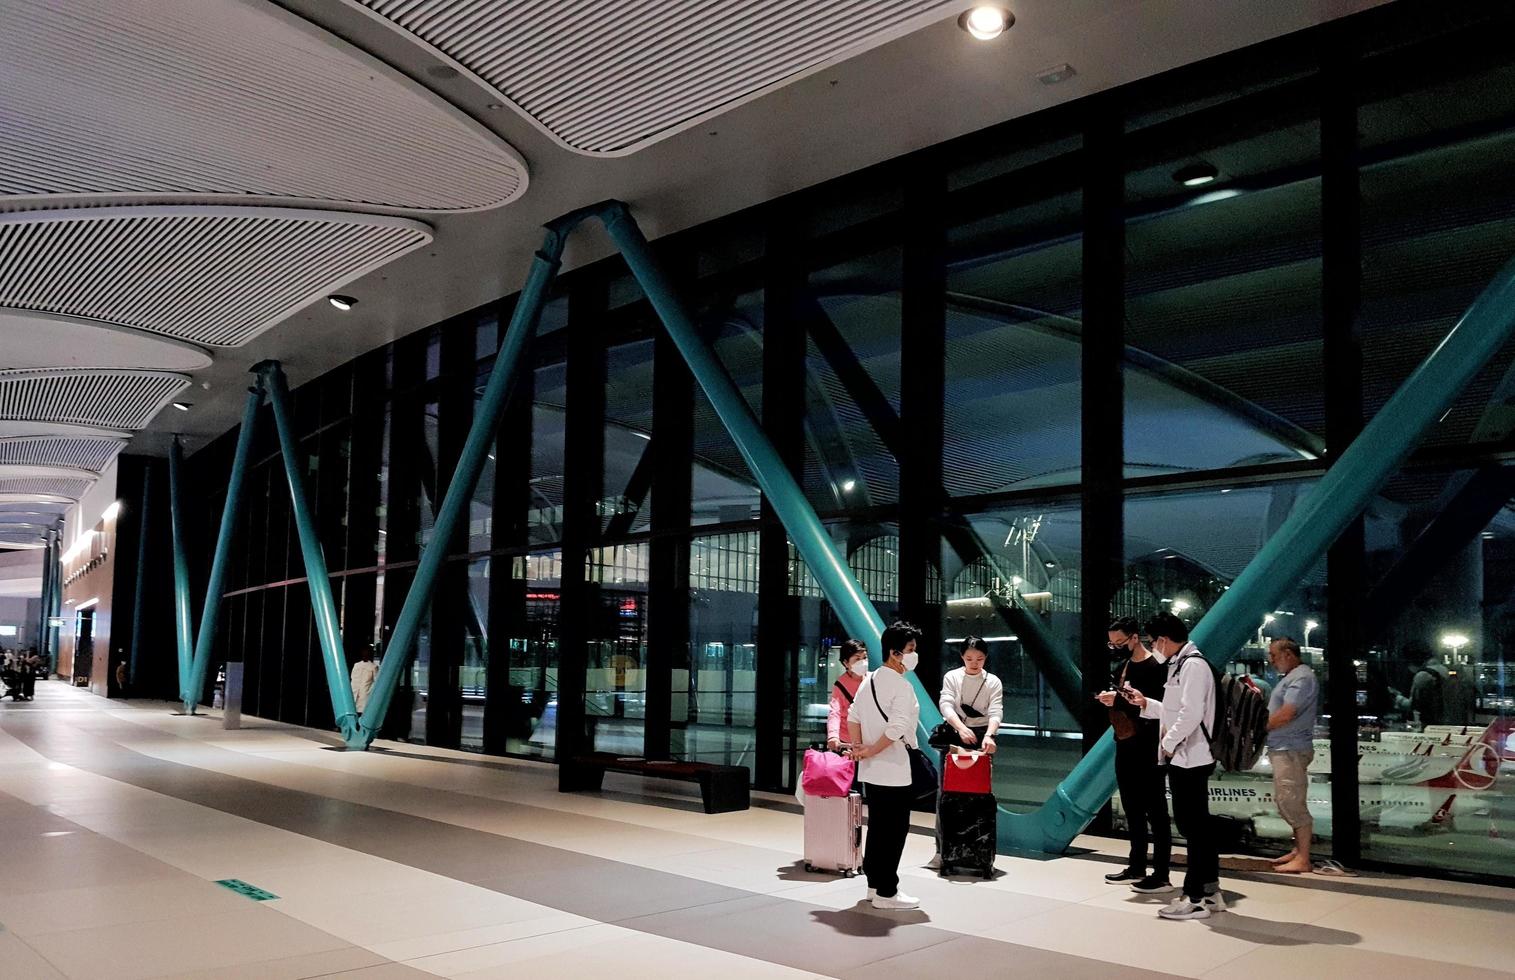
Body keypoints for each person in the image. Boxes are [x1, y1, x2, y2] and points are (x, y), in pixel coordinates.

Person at [1123, 611, 1222, 920]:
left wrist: (1166, 745)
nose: (1155, 647)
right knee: (1197, 826)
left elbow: (1190, 715)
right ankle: (1210, 891)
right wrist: (1146, 704)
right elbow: (1173, 710)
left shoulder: (1192, 665)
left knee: (1193, 827)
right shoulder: (1183, 665)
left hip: (1190, 758)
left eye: (1155, 642)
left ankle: (1194, 897)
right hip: (1187, 756)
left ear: (1163, 640)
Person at [848, 621, 924, 911]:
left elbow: (853, 717)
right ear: (895, 653)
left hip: (871, 771)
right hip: (894, 769)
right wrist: (869, 749)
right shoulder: (902, 686)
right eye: (910, 650)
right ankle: (887, 892)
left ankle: (873, 886)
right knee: (894, 830)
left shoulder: (868, 680)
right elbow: (897, 729)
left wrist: (860, 750)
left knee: (877, 827)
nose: (914, 655)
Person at [1096, 616, 1172, 893]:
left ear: (1135, 637)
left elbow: (1158, 709)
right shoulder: (1123, 667)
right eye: (1112, 643)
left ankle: (1161, 872)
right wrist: (1111, 698)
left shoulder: (1156, 667)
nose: (1116, 647)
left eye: (1120, 642)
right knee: (1132, 807)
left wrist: (1119, 701)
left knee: (1156, 810)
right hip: (1125, 741)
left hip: (1149, 746)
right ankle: (1137, 864)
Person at [1264, 637, 1318, 874]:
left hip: (1291, 748)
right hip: (1285, 746)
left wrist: (1258, 728)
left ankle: (1304, 857)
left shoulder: (1301, 678)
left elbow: (1287, 713)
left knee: (1291, 800)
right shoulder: (1293, 678)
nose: (1271, 661)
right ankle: (1299, 850)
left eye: (1273, 656)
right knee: (1287, 798)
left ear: (1288, 653)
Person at [827, 639, 868, 751]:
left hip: (870, 741)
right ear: (846, 663)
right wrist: (833, 736)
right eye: (857, 659)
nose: (863, 662)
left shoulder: (872, 680)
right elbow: (835, 712)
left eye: (864, 657)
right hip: (848, 742)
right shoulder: (840, 685)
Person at [350, 646, 379, 712]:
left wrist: (369, 691)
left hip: (365, 694)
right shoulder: (356, 665)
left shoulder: (373, 667)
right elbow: (352, 677)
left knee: (363, 711)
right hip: (354, 692)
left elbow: (376, 681)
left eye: (366, 653)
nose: (365, 655)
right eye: (364, 653)